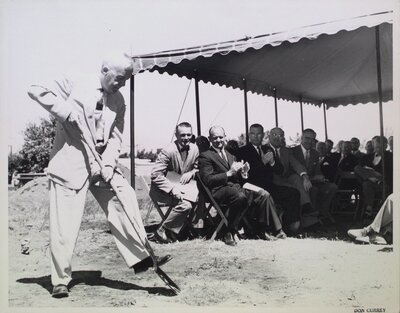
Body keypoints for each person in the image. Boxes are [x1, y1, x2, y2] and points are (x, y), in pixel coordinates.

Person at [27, 53, 171, 298]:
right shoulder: (73, 81)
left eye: (126, 80)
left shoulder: (119, 100)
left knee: (124, 195)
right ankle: (60, 280)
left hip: (101, 162)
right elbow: (35, 89)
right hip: (70, 164)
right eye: (119, 79)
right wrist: (64, 112)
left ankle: (140, 257)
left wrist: (107, 163)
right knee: (65, 223)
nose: (122, 84)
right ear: (104, 70)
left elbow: (116, 137)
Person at [199, 126, 286, 245]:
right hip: (219, 190)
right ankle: (228, 231)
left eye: (220, 137)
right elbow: (208, 180)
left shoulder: (230, 155)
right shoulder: (206, 155)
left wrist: (244, 173)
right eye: (215, 138)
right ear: (210, 138)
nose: (218, 140)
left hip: (236, 187)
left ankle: (261, 230)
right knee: (240, 197)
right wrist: (229, 173)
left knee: (264, 194)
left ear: (225, 137)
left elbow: (237, 177)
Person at [237, 124, 300, 233]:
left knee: (294, 193)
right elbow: (247, 175)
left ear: (263, 135)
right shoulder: (243, 151)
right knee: (267, 196)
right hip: (254, 188)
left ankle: (289, 225)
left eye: (259, 134)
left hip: (270, 186)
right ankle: (274, 229)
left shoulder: (268, 148)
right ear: (249, 135)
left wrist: (272, 162)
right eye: (253, 133)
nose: (256, 137)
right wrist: (263, 162)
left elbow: (280, 170)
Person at [150, 122, 199, 243]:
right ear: (176, 135)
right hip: (163, 190)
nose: (186, 138)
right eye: (182, 135)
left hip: (184, 188)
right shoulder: (167, 151)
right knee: (186, 205)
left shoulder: (194, 148)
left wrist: (192, 172)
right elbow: (155, 175)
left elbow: (198, 167)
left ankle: (185, 230)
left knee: (200, 198)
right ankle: (161, 231)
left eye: (189, 134)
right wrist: (172, 189)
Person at [289, 129, 337, 222]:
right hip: (299, 182)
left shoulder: (315, 153)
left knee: (332, 187)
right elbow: (291, 170)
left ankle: (323, 211)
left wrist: (321, 177)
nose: (310, 141)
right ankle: (311, 217)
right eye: (307, 138)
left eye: (312, 139)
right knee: (313, 190)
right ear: (301, 138)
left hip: (313, 181)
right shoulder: (292, 151)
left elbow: (317, 170)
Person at [354, 136, 393, 217]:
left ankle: (370, 208)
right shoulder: (368, 156)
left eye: (378, 146)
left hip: (383, 182)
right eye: (375, 146)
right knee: (357, 169)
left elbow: (390, 172)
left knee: (367, 183)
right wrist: (373, 174)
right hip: (372, 180)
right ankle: (369, 208)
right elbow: (360, 167)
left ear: (385, 146)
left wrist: (376, 174)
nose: (376, 148)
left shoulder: (390, 156)